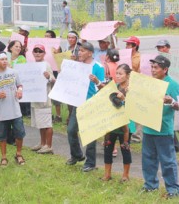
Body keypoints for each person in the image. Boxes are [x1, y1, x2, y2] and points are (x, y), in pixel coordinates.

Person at [141, 55, 179, 199]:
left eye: (156, 67)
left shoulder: (173, 85)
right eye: (152, 67)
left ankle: (173, 189)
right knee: (148, 159)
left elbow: (178, 106)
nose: (153, 70)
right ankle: (150, 185)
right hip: (148, 128)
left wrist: (172, 102)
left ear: (165, 69)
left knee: (167, 161)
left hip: (163, 130)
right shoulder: (149, 83)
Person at [66, 42, 105, 172]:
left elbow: (104, 88)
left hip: (91, 104)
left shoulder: (98, 67)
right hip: (78, 102)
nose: (79, 53)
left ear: (90, 52)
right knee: (71, 130)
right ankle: (76, 155)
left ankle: (90, 162)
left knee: (90, 134)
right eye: (79, 51)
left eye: (82, 51)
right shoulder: (78, 65)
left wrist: (96, 81)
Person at [0, 51, 26, 166]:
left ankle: (18, 154)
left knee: (19, 134)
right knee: (2, 136)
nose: (4, 61)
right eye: (1, 59)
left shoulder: (14, 72)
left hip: (15, 110)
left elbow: (20, 85)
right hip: (1, 112)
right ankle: (3, 157)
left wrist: (19, 91)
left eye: (5, 59)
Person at [102, 64, 134, 182]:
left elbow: (135, 106)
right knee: (107, 147)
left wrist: (124, 99)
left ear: (128, 75)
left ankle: (125, 175)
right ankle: (107, 174)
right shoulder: (113, 87)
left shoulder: (132, 89)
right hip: (112, 123)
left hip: (126, 124)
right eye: (117, 73)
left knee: (125, 148)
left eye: (121, 74)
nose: (118, 76)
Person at [30, 44, 55, 154]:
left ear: (44, 53)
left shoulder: (46, 65)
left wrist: (48, 77)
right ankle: (42, 143)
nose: (37, 53)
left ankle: (48, 145)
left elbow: (53, 79)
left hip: (44, 98)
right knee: (40, 123)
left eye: (40, 51)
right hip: (35, 98)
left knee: (47, 123)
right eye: (35, 51)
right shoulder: (32, 65)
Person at [124, 36, 142, 143]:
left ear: (135, 46)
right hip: (125, 86)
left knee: (137, 110)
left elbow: (142, 71)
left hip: (135, 86)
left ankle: (137, 135)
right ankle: (127, 132)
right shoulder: (123, 55)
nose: (126, 46)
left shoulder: (140, 57)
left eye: (128, 44)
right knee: (126, 109)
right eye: (126, 44)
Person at [45, 30, 62, 123]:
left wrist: (57, 53)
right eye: (45, 36)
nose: (46, 38)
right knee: (47, 93)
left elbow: (60, 60)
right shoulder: (42, 47)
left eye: (48, 36)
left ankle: (58, 116)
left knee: (55, 94)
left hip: (55, 72)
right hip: (46, 71)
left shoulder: (57, 47)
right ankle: (48, 114)